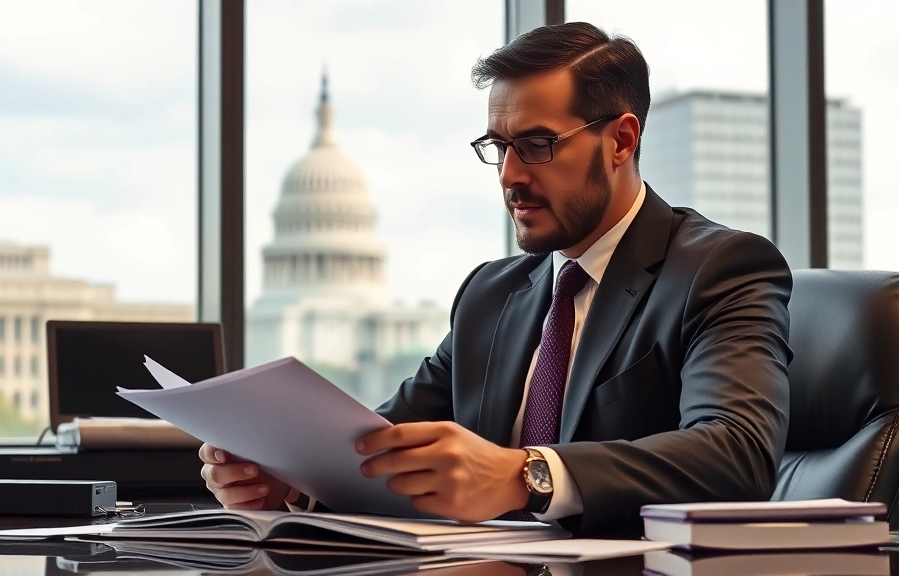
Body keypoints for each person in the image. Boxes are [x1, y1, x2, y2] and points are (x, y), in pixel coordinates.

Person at [199, 22, 792, 535]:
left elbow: (737, 453)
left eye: (536, 145)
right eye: (498, 146)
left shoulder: (721, 269)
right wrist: (294, 485)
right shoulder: (491, 294)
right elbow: (383, 445)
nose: (509, 175)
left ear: (621, 140)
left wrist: (525, 474)